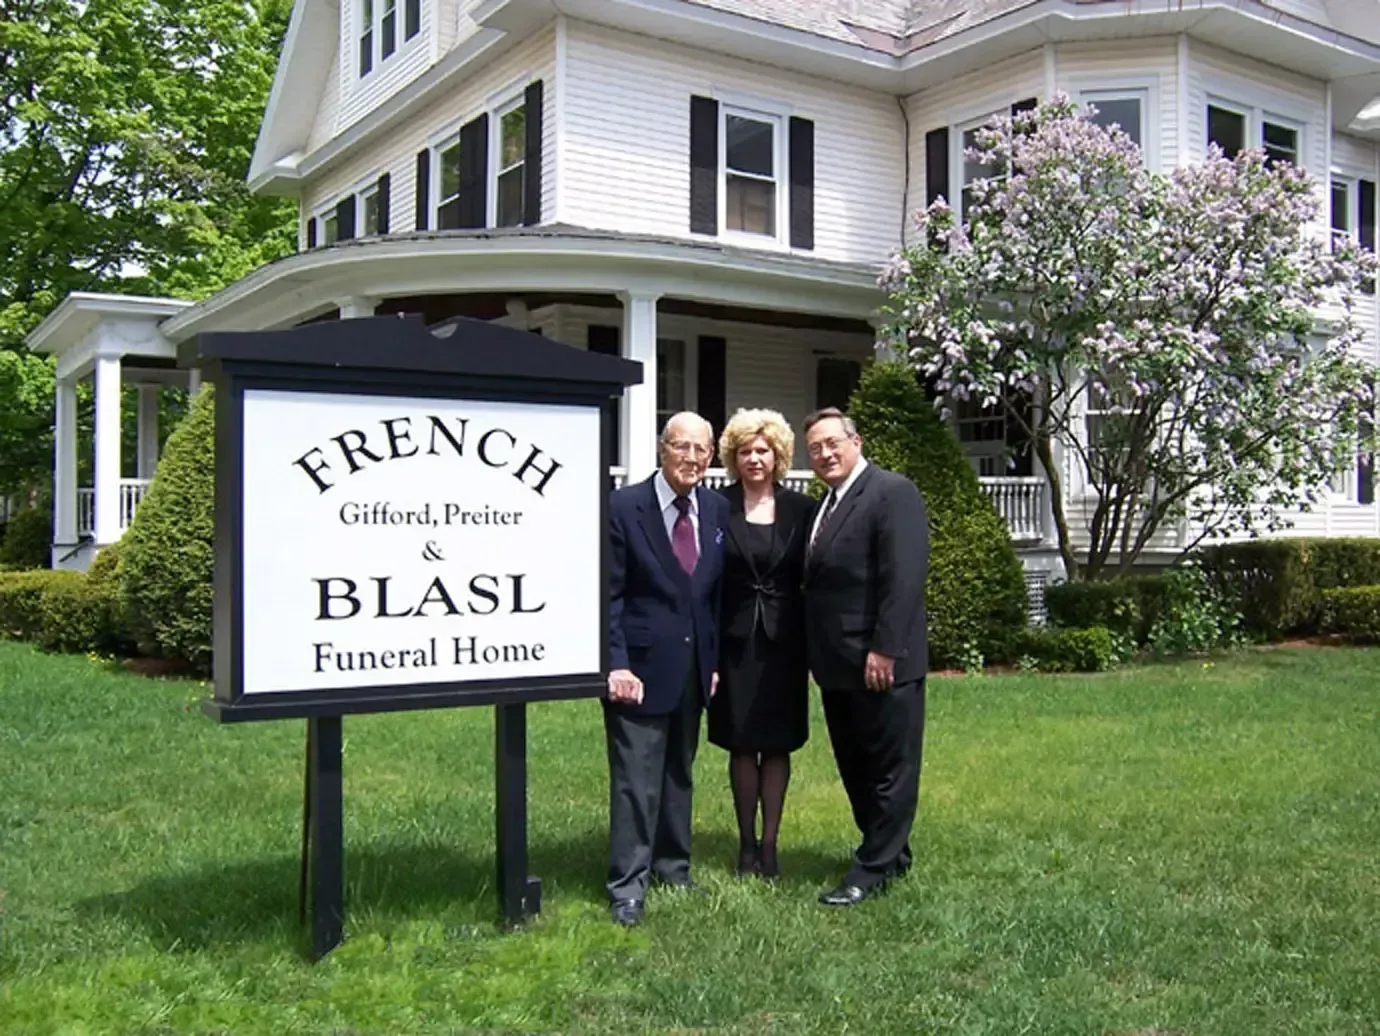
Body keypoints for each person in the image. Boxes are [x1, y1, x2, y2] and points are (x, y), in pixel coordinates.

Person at [801, 407, 930, 907]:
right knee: (856, 767)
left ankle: (871, 869)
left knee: (888, 767)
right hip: (837, 666)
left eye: (833, 442)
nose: (825, 453)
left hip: (881, 663)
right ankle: (889, 854)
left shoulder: (891, 492)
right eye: (815, 448)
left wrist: (885, 647)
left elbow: (904, 576)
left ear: (855, 442)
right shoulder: (827, 504)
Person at [604, 411, 728, 927]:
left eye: (702, 450)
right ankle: (627, 886)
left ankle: (673, 867)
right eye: (682, 447)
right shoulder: (623, 506)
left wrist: (714, 660)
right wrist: (615, 664)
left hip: (693, 668)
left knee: (679, 773)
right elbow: (607, 594)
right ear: (662, 449)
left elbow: (714, 596)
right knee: (636, 780)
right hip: (638, 670)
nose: (692, 459)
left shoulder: (718, 509)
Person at [708, 408, 814, 879]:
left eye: (763, 451)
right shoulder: (716, 506)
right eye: (746, 451)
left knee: (777, 746)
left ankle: (770, 845)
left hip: (785, 646)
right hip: (733, 645)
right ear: (734, 456)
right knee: (740, 744)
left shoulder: (801, 510)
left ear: (778, 455)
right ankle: (745, 845)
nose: (755, 459)